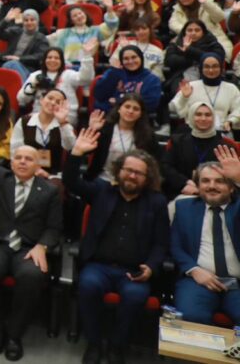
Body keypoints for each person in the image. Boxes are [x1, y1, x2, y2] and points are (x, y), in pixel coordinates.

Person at [64, 129, 169, 364]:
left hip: (133, 272)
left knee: (134, 297)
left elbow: (162, 243)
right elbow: (71, 182)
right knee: (88, 285)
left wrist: (151, 267)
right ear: (119, 171)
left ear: (147, 177)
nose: (132, 176)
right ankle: (93, 342)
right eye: (128, 170)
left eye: (139, 173)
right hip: (98, 266)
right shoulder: (102, 192)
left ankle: (117, 346)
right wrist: (76, 153)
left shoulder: (157, 202)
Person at [0, 121, 62, 362]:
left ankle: (15, 335)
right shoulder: (0, 178)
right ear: (11, 162)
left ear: (38, 164)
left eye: (28, 159)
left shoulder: (49, 191)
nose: (22, 161)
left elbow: (54, 227)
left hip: (29, 247)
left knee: (31, 276)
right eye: (18, 157)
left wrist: (43, 246)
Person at [170, 150, 240, 326]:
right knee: (193, 316)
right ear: (198, 186)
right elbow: (174, 245)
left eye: (220, 181)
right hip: (198, 281)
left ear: (231, 187)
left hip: (237, 283)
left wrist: (239, 178)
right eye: (205, 181)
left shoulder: (238, 207)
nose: (212, 186)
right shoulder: (184, 207)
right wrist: (193, 269)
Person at [163, 100, 234, 200]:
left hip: (216, 193)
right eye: (198, 114)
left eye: (208, 115)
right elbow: (166, 167)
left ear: (213, 118)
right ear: (191, 116)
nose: (203, 118)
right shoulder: (177, 141)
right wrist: (185, 183)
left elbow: (231, 174)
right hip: (183, 190)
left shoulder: (225, 145)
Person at [84, 94, 160, 183]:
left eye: (136, 109)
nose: (130, 111)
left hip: (132, 183)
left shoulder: (148, 136)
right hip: (103, 180)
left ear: (140, 114)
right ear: (119, 109)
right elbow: (85, 151)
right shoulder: (105, 129)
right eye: (127, 107)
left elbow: (155, 163)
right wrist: (92, 130)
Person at [17, 45, 95, 126]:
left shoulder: (68, 74)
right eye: (49, 57)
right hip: (39, 115)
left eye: (56, 58)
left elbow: (86, 79)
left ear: (62, 61)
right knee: (22, 124)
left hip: (64, 116)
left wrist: (87, 56)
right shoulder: (36, 75)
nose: (52, 60)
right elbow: (21, 100)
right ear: (44, 60)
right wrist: (33, 85)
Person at [10, 88, 75, 177]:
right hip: (25, 172)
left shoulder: (64, 125)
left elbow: (70, 147)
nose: (53, 103)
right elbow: (14, 150)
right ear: (41, 100)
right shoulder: (24, 121)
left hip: (53, 175)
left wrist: (62, 123)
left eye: (58, 102)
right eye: (50, 98)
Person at [168, 53, 240, 130]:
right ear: (201, 68)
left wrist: (230, 121)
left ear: (221, 68)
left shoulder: (231, 88)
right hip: (192, 132)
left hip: (220, 131)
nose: (211, 70)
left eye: (215, 66)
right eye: (207, 67)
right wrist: (184, 97)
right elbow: (172, 108)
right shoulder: (191, 86)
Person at [92, 45, 162, 114]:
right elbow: (99, 96)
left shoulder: (152, 79)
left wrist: (118, 101)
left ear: (141, 58)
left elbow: (151, 105)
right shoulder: (113, 72)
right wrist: (114, 73)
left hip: (137, 119)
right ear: (121, 61)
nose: (130, 61)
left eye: (134, 57)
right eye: (126, 59)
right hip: (109, 116)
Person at [0, 9, 50, 81]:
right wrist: (6, 20)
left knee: (12, 64)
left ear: (37, 22)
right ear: (23, 22)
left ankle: (23, 88)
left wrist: (19, 59)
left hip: (27, 67)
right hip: (7, 62)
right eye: (26, 20)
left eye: (32, 20)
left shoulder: (41, 38)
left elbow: (40, 56)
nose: (29, 22)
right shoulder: (16, 31)